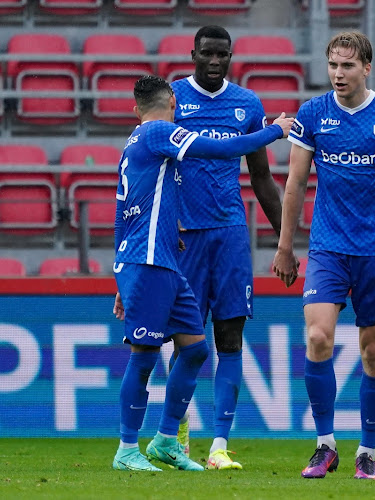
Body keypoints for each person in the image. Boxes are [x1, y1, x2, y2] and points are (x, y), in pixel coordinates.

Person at [111, 75, 292, 472]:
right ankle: (126, 449)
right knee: (144, 355)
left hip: (163, 260)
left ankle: (164, 441)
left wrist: (119, 272)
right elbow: (223, 149)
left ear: (134, 107)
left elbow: (123, 207)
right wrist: (273, 131)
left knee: (194, 349)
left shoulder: (137, 142)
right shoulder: (161, 132)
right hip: (148, 261)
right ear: (173, 102)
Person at [272, 31, 375, 480]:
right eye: (334, 65)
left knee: (374, 351)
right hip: (328, 248)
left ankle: (368, 451)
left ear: (367, 67)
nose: (339, 73)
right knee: (318, 339)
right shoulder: (313, 113)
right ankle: (324, 445)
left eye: (348, 66)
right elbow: (295, 183)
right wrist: (284, 245)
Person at [169, 25, 285, 470]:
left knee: (230, 337)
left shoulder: (247, 104)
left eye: (223, 55)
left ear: (231, 55)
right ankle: (175, 436)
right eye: (207, 54)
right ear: (193, 53)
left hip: (232, 235)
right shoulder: (174, 99)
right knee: (186, 342)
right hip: (185, 236)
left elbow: (261, 177)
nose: (215, 62)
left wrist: (284, 238)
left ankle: (219, 445)